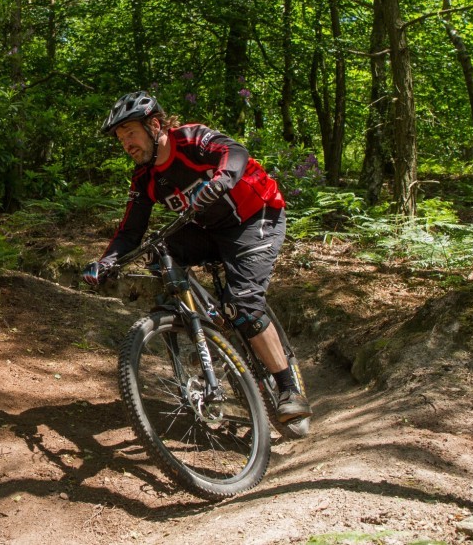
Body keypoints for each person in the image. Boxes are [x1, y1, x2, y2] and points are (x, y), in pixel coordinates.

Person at [82, 91, 311, 421]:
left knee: (243, 304)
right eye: (121, 139)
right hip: (210, 230)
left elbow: (235, 152)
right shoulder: (145, 178)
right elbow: (130, 232)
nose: (126, 144)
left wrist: (221, 180)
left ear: (155, 125)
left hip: (255, 216)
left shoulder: (191, 139)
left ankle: (290, 389)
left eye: (130, 133)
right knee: (160, 252)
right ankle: (202, 330)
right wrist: (105, 262)